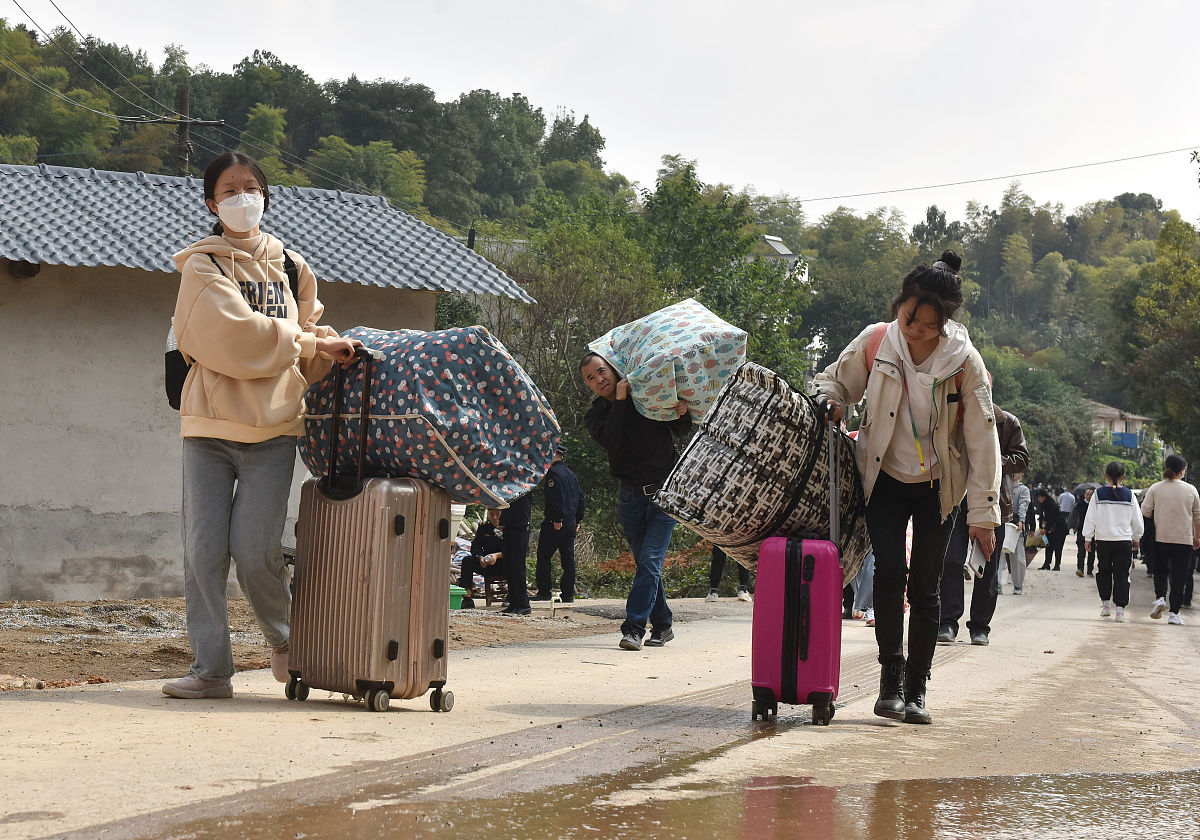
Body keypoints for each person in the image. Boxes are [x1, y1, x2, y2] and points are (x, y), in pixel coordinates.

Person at [163, 152, 360, 700]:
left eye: (251, 188)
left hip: (274, 427)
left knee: (256, 552)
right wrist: (310, 341)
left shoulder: (294, 267)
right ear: (212, 203)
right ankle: (211, 671)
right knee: (203, 551)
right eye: (229, 190)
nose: (242, 198)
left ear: (266, 196)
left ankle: (285, 640)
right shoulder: (202, 267)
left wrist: (333, 349)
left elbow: (310, 337)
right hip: (208, 427)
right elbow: (236, 336)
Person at [812, 250, 1001, 725]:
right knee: (890, 571)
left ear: (945, 323)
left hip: (940, 485)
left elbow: (982, 439)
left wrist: (984, 514)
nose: (913, 329)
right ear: (900, 305)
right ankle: (890, 678)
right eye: (907, 316)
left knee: (925, 585)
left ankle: (918, 685)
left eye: (926, 323)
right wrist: (831, 401)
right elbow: (835, 382)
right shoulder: (878, 342)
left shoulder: (965, 363)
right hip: (885, 478)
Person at [582, 351, 692, 651]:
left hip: (665, 493)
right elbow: (612, 441)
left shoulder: (649, 394)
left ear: (613, 369)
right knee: (646, 563)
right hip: (630, 496)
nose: (598, 379)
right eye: (591, 378)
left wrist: (682, 411)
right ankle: (664, 623)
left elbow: (679, 429)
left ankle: (633, 628)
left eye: (601, 371)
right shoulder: (595, 416)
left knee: (651, 560)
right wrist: (619, 400)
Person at [938, 405, 1029, 645]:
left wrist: (992, 458)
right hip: (957, 501)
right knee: (951, 561)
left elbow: (1022, 459)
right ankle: (947, 622)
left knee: (986, 568)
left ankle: (980, 627)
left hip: (993, 504)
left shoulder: (1007, 422)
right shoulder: (952, 416)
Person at [1140, 455, 1200, 625]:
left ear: (1165, 468)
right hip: (1184, 539)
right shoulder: (1191, 490)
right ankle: (1174, 613)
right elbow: (1197, 517)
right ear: (1182, 471)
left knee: (1160, 570)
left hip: (1160, 537)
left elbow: (1145, 512)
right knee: (1179, 575)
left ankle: (1160, 597)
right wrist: (1196, 536)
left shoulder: (1155, 488)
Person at [1082, 461, 1144, 622]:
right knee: (1122, 574)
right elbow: (1137, 520)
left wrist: (1088, 537)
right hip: (1123, 541)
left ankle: (1105, 606)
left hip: (1103, 540)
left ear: (1106, 476)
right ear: (1123, 476)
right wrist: (1136, 537)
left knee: (1103, 571)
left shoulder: (1098, 494)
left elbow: (1091, 518)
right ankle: (1120, 611)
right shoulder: (1130, 495)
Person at [534, 446, 585, 602]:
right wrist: (578, 519)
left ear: (554, 454)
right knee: (568, 559)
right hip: (570, 522)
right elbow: (580, 498)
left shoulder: (553, 473)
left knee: (544, 556)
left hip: (557, 522)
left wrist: (557, 519)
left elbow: (557, 498)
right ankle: (568, 593)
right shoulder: (571, 474)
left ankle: (544, 592)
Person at [458, 508, 505, 609]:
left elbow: (513, 550)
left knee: (515, 562)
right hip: (486, 563)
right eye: (492, 514)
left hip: (504, 564)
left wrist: (497, 555)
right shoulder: (484, 527)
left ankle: (512, 596)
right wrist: (480, 558)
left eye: (498, 514)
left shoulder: (509, 528)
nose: (495, 518)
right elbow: (475, 547)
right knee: (467, 560)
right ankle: (467, 597)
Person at [498, 491, 534, 615]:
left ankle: (523, 603)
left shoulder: (524, 479)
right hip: (509, 523)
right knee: (509, 565)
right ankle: (514, 602)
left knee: (517, 565)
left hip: (520, 524)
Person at [1036, 489, 1063, 571]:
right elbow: (1042, 516)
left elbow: (1052, 518)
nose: (1038, 499)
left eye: (1040, 497)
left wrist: (1046, 529)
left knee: (1058, 547)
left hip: (1059, 528)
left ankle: (1057, 565)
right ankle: (1047, 563)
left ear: (1043, 497)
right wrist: (1041, 528)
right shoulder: (1043, 504)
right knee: (1048, 546)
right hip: (1050, 529)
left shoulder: (1051, 504)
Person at [1073, 487, 1096, 577]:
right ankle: (1080, 569)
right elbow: (1075, 516)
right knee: (1081, 551)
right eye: (1087, 494)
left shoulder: (1096, 506)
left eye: (1091, 495)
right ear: (1084, 495)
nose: (1089, 496)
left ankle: (1090, 570)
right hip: (1081, 531)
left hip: (1093, 532)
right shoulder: (1080, 504)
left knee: (1092, 552)